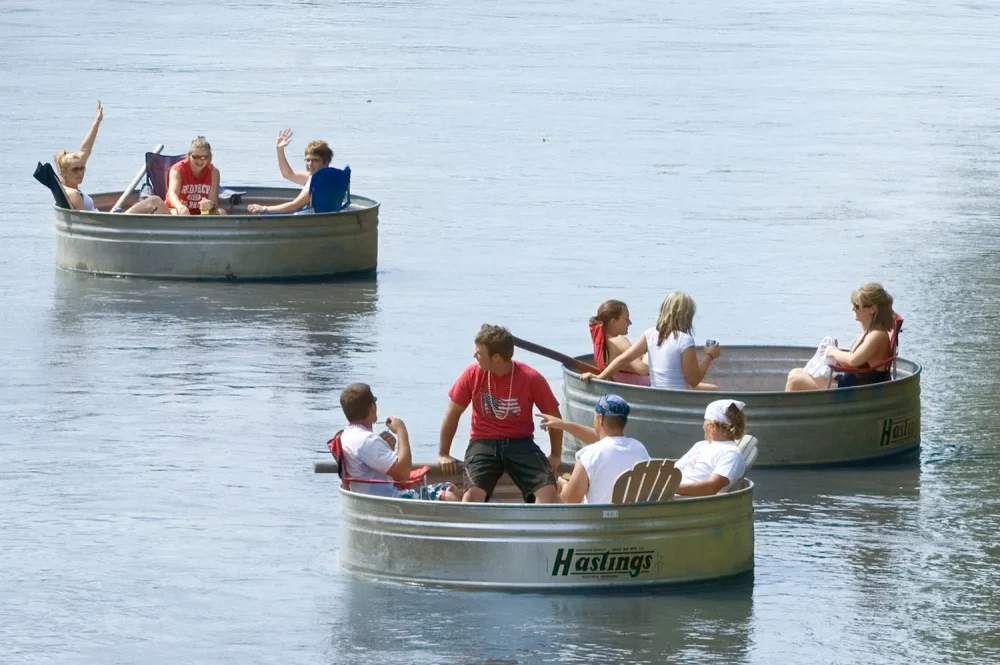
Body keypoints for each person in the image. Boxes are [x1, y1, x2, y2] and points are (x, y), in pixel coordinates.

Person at [438, 324, 563, 503]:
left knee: (548, 492)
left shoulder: (531, 378)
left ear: (495, 357)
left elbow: (555, 418)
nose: (475, 357)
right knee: (472, 496)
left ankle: (534, 520)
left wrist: (556, 454)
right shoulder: (472, 374)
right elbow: (452, 414)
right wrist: (444, 453)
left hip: (521, 443)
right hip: (483, 442)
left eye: (479, 353)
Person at [336, 383, 459, 501]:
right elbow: (403, 473)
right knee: (447, 494)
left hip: (368, 496)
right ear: (372, 407)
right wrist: (401, 431)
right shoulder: (368, 440)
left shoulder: (347, 435)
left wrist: (387, 448)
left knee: (449, 487)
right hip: (388, 498)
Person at [581, 292, 720, 391]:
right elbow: (694, 380)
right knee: (715, 390)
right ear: (687, 316)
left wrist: (600, 377)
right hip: (677, 398)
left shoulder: (650, 334)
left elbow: (623, 359)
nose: (630, 322)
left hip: (655, 394)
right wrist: (709, 356)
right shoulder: (685, 340)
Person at [55, 101, 168, 214]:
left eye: (82, 168)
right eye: (75, 170)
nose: (80, 173)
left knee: (150, 202)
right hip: (109, 222)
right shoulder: (73, 194)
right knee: (154, 201)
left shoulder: (67, 187)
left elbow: (85, 150)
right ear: (63, 172)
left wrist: (97, 121)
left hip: (107, 218)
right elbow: (85, 220)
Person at [539, 394, 651, 504]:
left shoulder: (589, 454)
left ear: (600, 418)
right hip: (632, 513)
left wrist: (563, 484)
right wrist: (562, 424)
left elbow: (570, 499)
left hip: (598, 515)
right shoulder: (640, 449)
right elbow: (607, 441)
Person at [785, 283, 896, 391]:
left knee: (795, 381)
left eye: (857, 306)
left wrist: (832, 351)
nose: (854, 309)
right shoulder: (869, 332)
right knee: (795, 372)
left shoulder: (877, 335)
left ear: (872, 309)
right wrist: (835, 356)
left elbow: (853, 360)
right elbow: (853, 363)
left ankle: (787, 404)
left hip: (859, 389)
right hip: (852, 382)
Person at [246, 131, 335, 215]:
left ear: (326, 162)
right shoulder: (327, 177)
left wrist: (264, 209)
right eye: (308, 160)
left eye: (315, 160)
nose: (310, 164)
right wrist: (280, 150)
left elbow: (294, 206)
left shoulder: (316, 181)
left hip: (310, 221)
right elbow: (288, 174)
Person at [674, 400, 748, 496]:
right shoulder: (700, 445)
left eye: (705, 420)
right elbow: (674, 470)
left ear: (714, 425)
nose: (703, 426)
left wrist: (669, 488)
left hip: (686, 499)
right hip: (668, 494)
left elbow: (711, 487)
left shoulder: (731, 454)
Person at [589, 300, 650, 386]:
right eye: (626, 319)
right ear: (614, 322)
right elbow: (643, 370)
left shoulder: (603, 343)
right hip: (642, 385)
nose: (630, 323)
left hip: (619, 383)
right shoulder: (620, 341)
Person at [166, 136, 224, 215]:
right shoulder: (177, 170)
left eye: (203, 157)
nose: (199, 161)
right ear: (189, 156)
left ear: (209, 158)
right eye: (195, 157)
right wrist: (180, 207)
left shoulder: (214, 172)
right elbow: (172, 194)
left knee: (221, 212)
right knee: (176, 213)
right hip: (178, 210)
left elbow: (213, 200)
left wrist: (210, 204)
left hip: (201, 211)